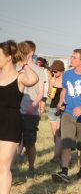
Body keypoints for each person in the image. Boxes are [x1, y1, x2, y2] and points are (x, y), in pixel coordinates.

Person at [0, 40, 39, 194]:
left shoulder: (20, 77)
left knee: (3, 166)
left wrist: (24, 63)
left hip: (10, 124)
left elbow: (34, 79)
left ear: (8, 57)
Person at [52, 49, 81, 183]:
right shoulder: (67, 74)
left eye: (75, 58)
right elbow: (64, 90)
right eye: (72, 56)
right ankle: (64, 172)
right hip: (68, 113)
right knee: (66, 143)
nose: (72, 59)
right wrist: (61, 102)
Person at [19, 41, 45, 178]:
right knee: (13, 142)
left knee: (29, 143)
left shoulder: (40, 71)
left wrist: (33, 105)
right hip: (15, 111)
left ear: (31, 52)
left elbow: (41, 92)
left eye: (24, 50)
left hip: (30, 112)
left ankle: (31, 167)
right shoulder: (16, 68)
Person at [47, 60, 65, 164]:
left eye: (56, 71)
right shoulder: (52, 79)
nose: (54, 73)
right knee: (55, 135)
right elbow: (51, 95)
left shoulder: (66, 80)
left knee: (59, 134)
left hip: (62, 109)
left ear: (62, 71)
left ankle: (57, 157)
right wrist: (50, 93)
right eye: (53, 71)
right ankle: (59, 155)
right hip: (53, 108)